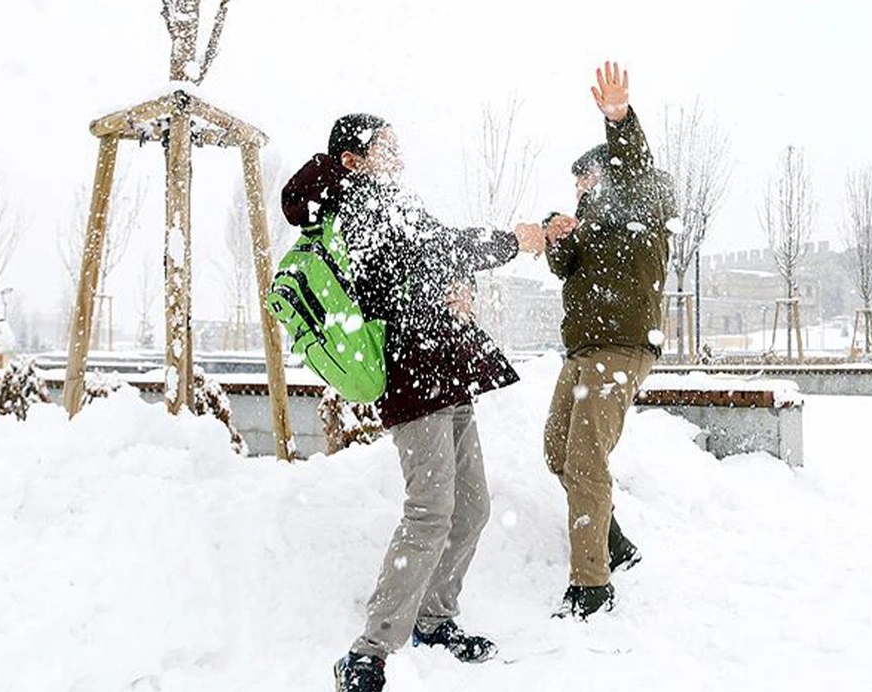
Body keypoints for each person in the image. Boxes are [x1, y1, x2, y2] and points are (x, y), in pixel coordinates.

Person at [280, 114, 546, 692]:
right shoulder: (355, 204)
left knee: (471, 507)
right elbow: (436, 251)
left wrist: (459, 288)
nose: (399, 155)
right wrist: (511, 242)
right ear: (353, 160)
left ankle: (434, 619)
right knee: (430, 510)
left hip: (444, 370)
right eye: (386, 147)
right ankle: (369, 651)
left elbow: (431, 263)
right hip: (412, 376)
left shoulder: (388, 199)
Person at [541, 62, 677, 619]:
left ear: (610, 174)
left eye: (587, 179)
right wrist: (556, 233)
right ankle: (613, 540)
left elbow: (636, 167)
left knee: (586, 459)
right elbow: (564, 267)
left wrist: (618, 119)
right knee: (558, 450)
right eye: (576, 183)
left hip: (621, 348)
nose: (581, 188)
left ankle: (591, 586)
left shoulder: (642, 202)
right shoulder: (589, 224)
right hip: (584, 351)